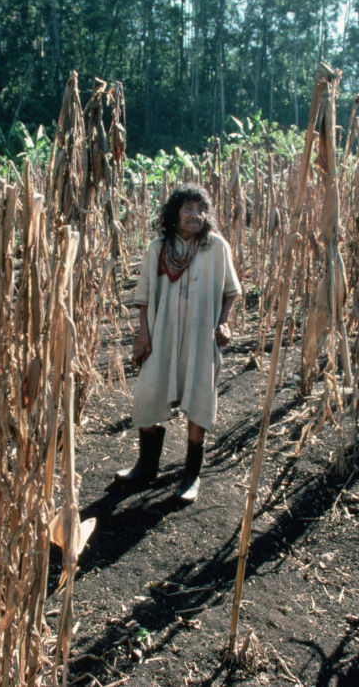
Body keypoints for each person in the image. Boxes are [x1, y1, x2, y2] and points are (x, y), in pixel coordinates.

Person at [114, 183, 241, 503]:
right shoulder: (158, 248)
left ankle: (191, 476)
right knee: (149, 392)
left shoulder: (215, 248)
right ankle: (146, 466)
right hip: (162, 336)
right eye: (188, 209)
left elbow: (231, 290)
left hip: (200, 340)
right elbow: (143, 298)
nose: (195, 215)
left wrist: (224, 323)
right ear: (174, 212)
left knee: (199, 398)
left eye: (201, 209)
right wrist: (143, 335)